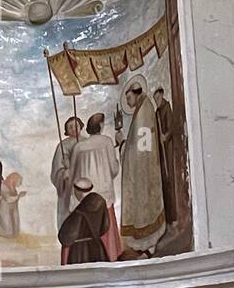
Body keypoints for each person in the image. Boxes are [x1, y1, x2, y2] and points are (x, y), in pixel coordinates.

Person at [116, 77, 166, 257]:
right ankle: (145, 247)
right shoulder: (143, 108)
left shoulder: (144, 111)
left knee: (144, 208)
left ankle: (148, 246)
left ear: (136, 94)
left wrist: (122, 144)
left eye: (129, 98)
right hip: (144, 168)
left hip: (143, 171)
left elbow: (142, 148)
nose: (128, 103)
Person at [67, 112, 122, 260]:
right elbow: (114, 170)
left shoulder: (79, 146)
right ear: (100, 126)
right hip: (103, 196)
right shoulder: (107, 142)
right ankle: (110, 258)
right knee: (105, 229)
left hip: (84, 197)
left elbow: (72, 174)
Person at [58, 178, 111, 265]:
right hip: (97, 247)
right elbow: (105, 226)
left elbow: (66, 238)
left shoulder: (79, 212)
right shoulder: (101, 202)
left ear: (77, 191)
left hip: (80, 251)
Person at [50, 116, 83, 231]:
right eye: (70, 127)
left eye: (76, 126)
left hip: (83, 187)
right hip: (67, 188)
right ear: (66, 130)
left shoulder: (86, 143)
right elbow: (56, 171)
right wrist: (63, 173)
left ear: (81, 127)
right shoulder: (62, 146)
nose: (74, 129)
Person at [154, 87, 177, 224]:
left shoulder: (167, 107)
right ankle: (167, 217)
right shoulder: (157, 112)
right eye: (154, 99)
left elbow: (172, 127)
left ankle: (173, 217)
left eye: (157, 98)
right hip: (161, 151)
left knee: (170, 180)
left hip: (168, 149)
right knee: (164, 181)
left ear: (162, 95)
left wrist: (166, 136)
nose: (156, 101)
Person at [0, 171, 25, 237]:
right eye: (19, 181)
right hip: (3, 209)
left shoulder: (13, 189)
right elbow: (7, 199)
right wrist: (18, 196)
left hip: (11, 210)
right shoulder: (2, 186)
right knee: (8, 232)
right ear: (14, 180)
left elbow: (14, 201)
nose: (20, 184)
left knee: (15, 232)